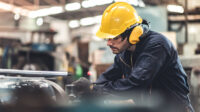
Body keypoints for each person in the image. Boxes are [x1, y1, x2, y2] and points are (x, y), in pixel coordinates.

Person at [94, 2, 194, 112]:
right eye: (107, 38)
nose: (108, 43)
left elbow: (136, 83)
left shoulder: (156, 46)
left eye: (114, 37)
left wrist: (101, 90)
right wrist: (89, 87)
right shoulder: (123, 53)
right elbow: (107, 77)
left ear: (132, 33)